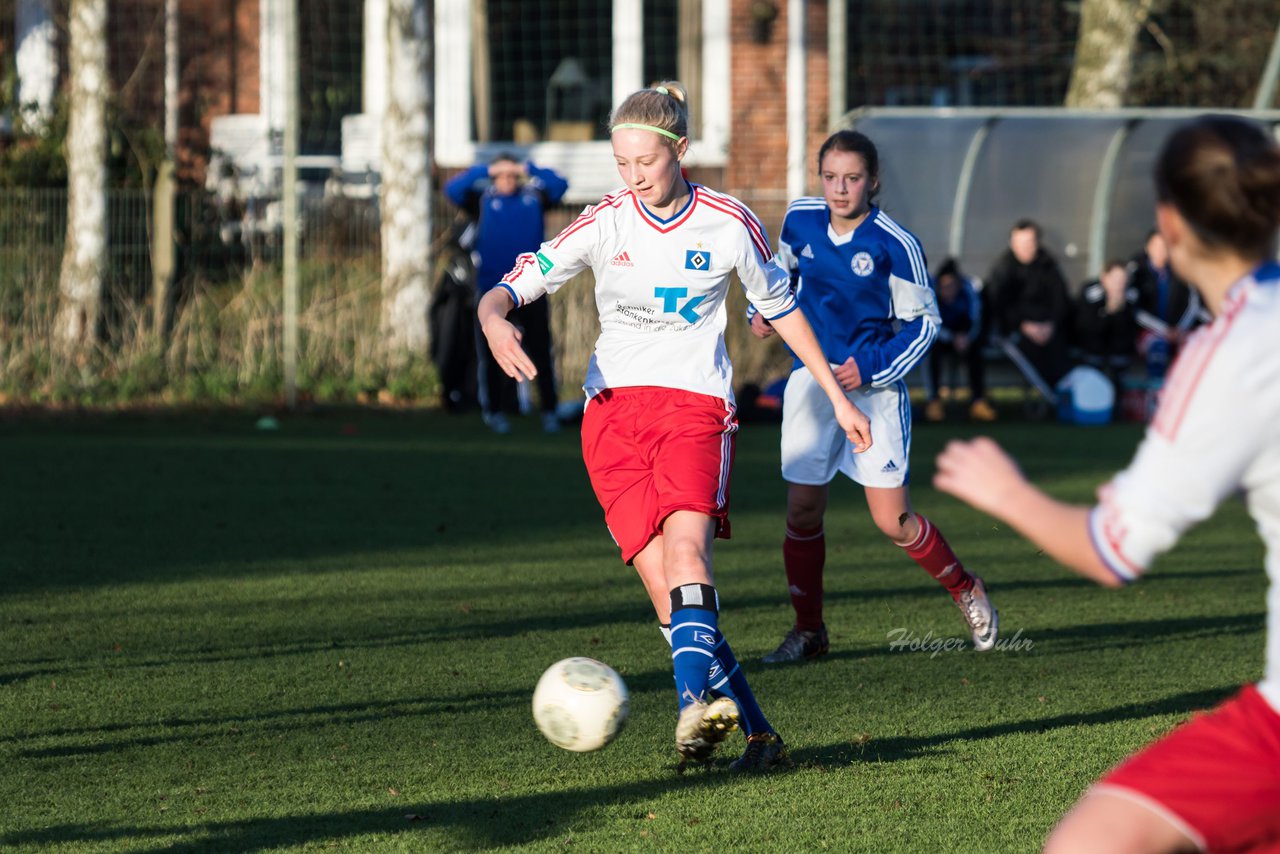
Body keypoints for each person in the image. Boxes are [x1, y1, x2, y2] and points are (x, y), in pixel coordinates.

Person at [477, 82, 872, 772]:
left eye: (646, 165)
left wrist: (837, 398)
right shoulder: (605, 220)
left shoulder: (729, 221)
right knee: (670, 599)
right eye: (621, 165)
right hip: (610, 420)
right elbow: (523, 278)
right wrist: (492, 316)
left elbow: (780, 307)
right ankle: (756, 734)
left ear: (680, 152)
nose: (633, 179)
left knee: (689, 560)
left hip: (693, 409)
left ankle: (694, 711)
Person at [934, 115, 1280, 854]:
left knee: (1091, 842)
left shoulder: (1237, 349)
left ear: (1169, 221)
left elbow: (1112, 550)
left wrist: (1007, 493)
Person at [748, 129, 998, 665]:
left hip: (875, 394)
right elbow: (783, 276)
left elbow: (924, 325)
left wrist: (872, 367)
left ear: (873, 181)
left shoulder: (894, 243)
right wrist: (766, 313)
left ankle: (965, 588)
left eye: (853, 178)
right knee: (803, 511)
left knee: (893, 521)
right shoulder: (800, 218)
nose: (840, 189)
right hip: (811, 386)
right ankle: (809, 631)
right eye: (831, 177)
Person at [445, 152, 568, 434]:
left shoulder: (535, 197)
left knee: (541, 351)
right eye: (502, 175)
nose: (508, 180)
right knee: (491, 354)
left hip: (531, 291)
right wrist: (486, 170)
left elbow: (560, 185)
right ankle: (495, 411)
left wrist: (528, 167)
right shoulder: (483, 199)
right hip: (493, 292)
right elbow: (452, 190)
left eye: (513, 174)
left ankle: (549, 411)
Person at [987, 219, 1074, 389]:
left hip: (1048, 327)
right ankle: (1053, 395)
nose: (1026, 248)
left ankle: (1068, 392)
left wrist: (1051, 324)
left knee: (1060, 349)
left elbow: (1060, 298)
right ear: (1012, 243)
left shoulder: (1048, 265)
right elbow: (999, 304)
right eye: (1021, 243)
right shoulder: (1003, 269)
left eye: (1030, 242)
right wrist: (1024, 325)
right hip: (1017, 329)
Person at [924, 257, 997, 422]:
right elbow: (930, 322)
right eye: (944, 286)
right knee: (930, 352)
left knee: (975, 353)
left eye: (952, 286)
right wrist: (951, 338)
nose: (948, 290)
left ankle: (978, 402)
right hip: (941, 337)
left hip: (965, 337)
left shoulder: (970, 291)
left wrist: (966, 337)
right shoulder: (929, 293)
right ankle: (933, 402)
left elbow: (977, 319)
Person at [1128, 228, 1208, 381]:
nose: (1161, 250)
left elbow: (1193, 303)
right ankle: (1157, 395)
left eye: (1165, 246)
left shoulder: (1180, 271)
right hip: (1150, 333)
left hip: (1177, 331)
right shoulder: (1138, 272)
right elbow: (1135, 311)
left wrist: (1181, 329)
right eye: (1157, 246)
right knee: (1158, 348)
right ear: (1148, 248)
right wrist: (1164, 331)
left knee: (1195, 347)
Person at [1072, 259, 1140, 394]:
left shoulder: (1131, 297)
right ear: (1104, 278)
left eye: (1122, 280)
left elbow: (1129, 333)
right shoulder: (1090, 293)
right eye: (1115, 279)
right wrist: (1107, 312)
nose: (1119, 284)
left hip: (1118, 351)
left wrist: (1119, 313)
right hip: (1092, 348)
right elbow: (1085, 327)